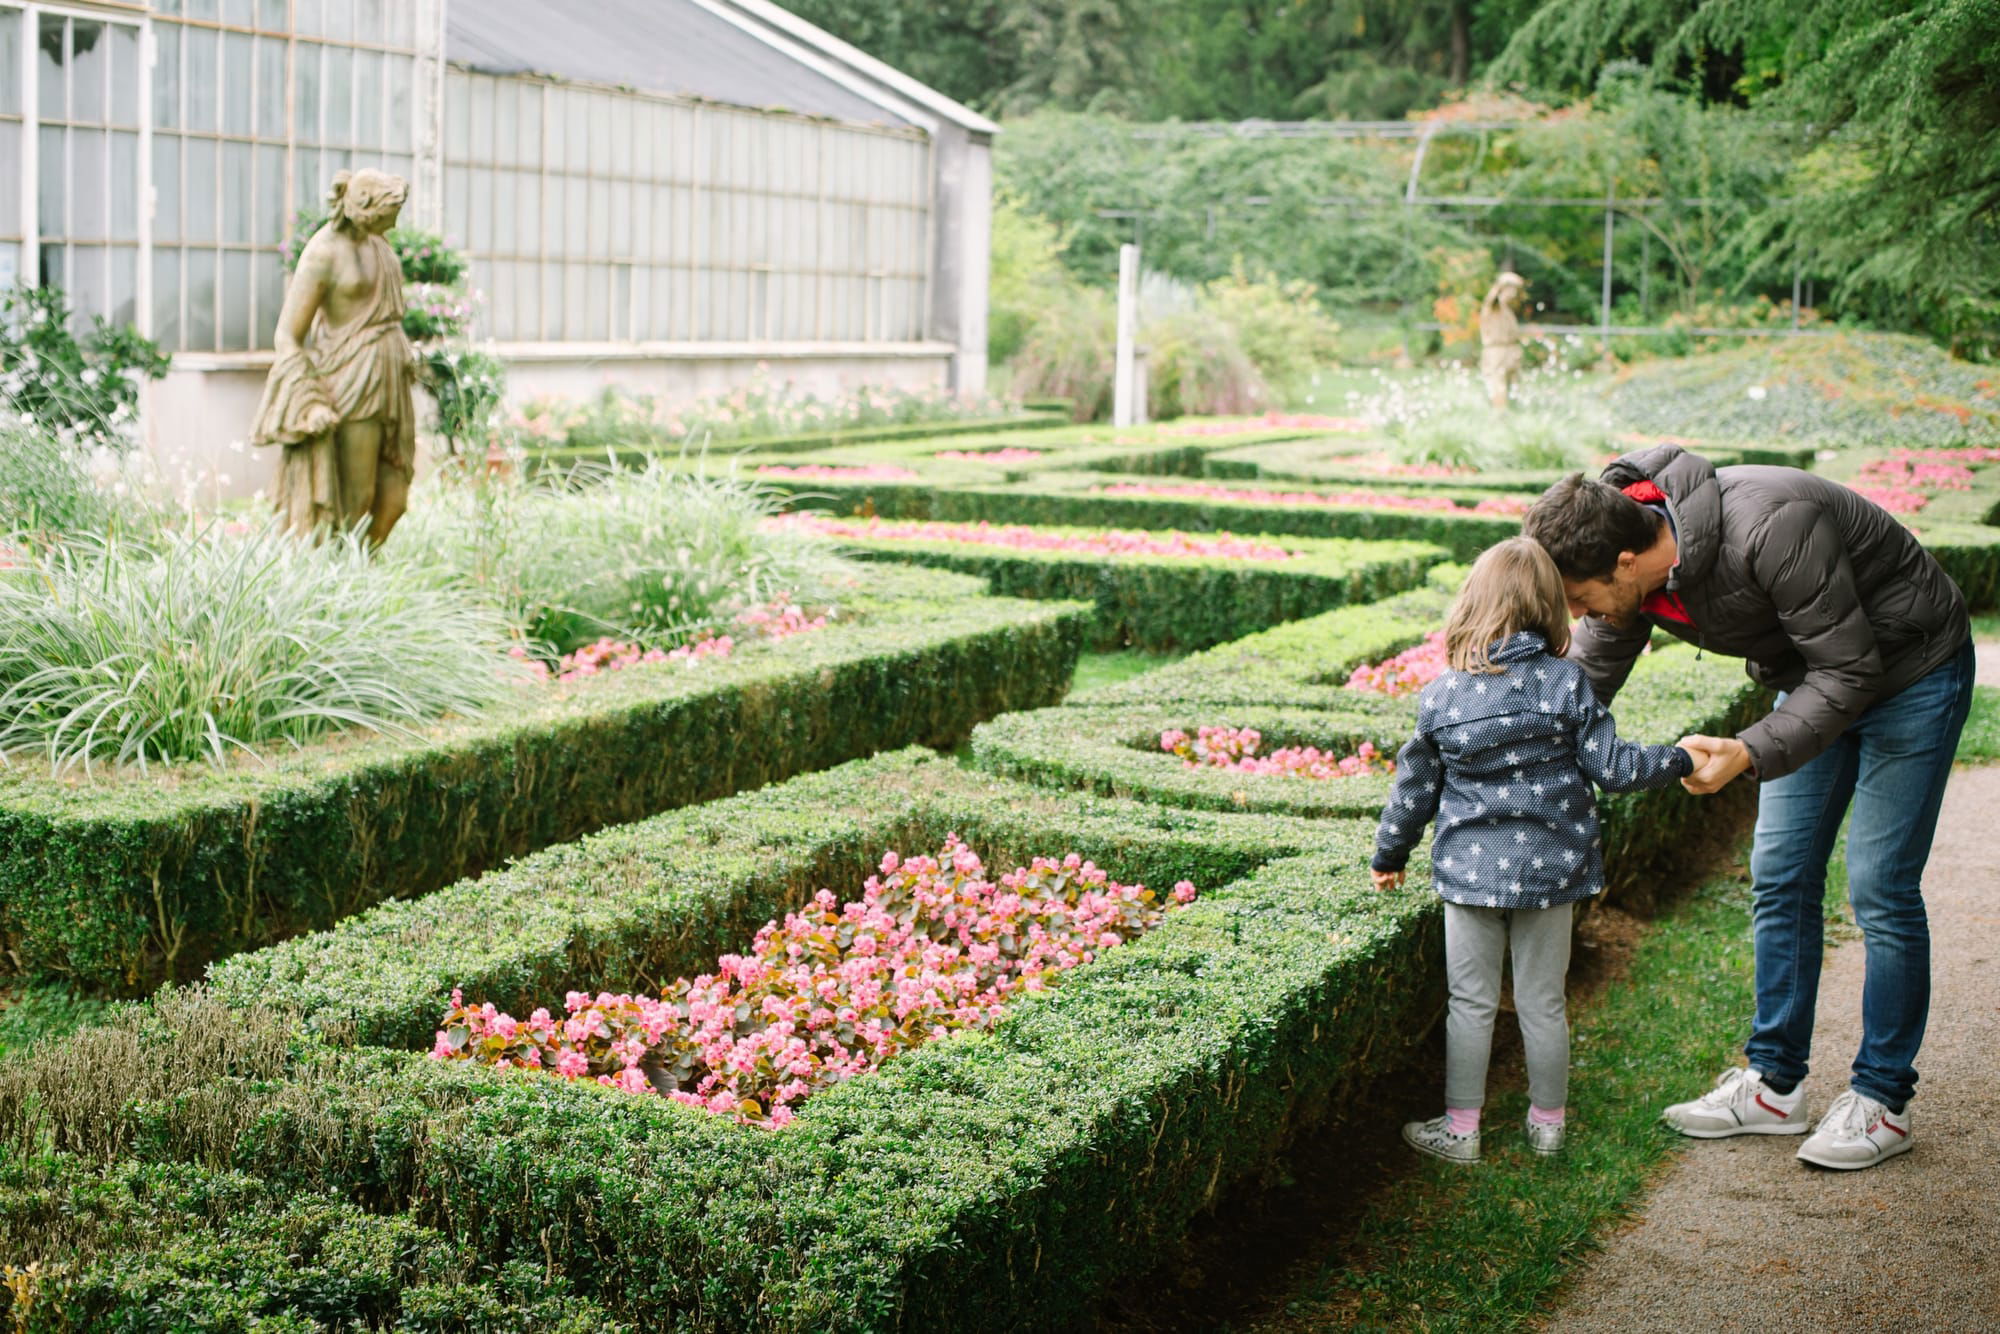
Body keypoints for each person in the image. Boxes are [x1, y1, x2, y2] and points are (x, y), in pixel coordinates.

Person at [1524, 444, 1974, 1171]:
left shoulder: (1771, 524)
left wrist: (1749, 749)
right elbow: (1588, 678)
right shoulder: (1630, 565)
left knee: (1880, 886)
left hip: (1912, 671)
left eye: (1578, 597)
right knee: (1780, 871)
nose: (1577, 614)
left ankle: (1883, 1100)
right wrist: (1510, 760)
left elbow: (1852, 667)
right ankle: (1773, 1087)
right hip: (1815, 677)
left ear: (1626, 564)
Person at [1370, 537, 1702, 1163]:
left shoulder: (1443, 696)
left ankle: (1461, 1131)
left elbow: (1414, 791)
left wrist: (1390, 855)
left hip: (1469, 876)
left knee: (1469, 1002)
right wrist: (1681, 757)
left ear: (1472, 606)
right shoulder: (1567, 683)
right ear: (1551, 606)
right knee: (1543, 1001)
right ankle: (1548, 1125)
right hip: (1553, 871)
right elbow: (1615, 767)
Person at [252, 168, 418, 546]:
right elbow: (288, 336)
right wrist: (307, 401)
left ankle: (366, 569)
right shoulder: (323, 253)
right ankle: (350, 580)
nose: (395, 222)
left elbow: (385, 316)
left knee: (394, 499)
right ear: (363, 207)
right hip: (351, 383)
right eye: (390, 213)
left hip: (391, 382)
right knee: (356, 501)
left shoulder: (379, 246)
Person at [1478, 271, 1528, 410]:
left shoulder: (1507, 310)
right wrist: (1505, 281)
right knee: (1498, 388)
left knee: (1514, 388)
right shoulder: (1492, 306)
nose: (1512, 294)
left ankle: (1512, 417)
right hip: (1496, 351)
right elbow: (1492, 298)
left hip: (1510, 351)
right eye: (1509, 289)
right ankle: (1499, 417)